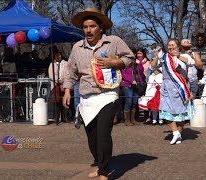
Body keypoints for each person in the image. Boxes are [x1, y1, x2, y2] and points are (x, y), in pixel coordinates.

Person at [62, 8, 134, 180]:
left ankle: (104, 170)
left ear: (100, 27)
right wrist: (67, 90)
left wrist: (115, 61)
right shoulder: (77, 48)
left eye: (92, 26)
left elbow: (130, 58)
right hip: (86, 97)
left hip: (108, 95)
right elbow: (71, 71)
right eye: (85, 27)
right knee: (92, 137)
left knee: (103, 133)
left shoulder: (113, 42)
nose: (88, 30)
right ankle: (99, 160)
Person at [151, 38, 195, 145]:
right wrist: (156, 56)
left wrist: (178, 56)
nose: (170, 47)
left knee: (181, 114)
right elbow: (153, 67)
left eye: (173, 45)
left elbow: (192, 62)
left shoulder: (185, 56)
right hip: (167, 87)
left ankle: (178, 134)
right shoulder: (164, 57)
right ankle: (175, 132)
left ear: (178, 46)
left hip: (180, 87)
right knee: (165, 111)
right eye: (169, 45)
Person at [121, 48, 146, 125]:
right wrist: (131, 80)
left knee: (135, 101)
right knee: (129, 100)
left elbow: (141, 71)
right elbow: (123, 73)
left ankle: (133, 119)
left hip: (137, 84)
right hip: (127, 84)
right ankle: (127, 120)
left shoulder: (137, 61)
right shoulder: (124, 61)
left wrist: (140, 63)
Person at [48, 47, 69, 125]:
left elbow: (68, 73)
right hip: (55, 85)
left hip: (64, 84)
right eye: (57, 55)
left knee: (65, 100)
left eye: (60, 55)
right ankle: (56, 118)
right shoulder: (51, 65)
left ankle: (65, 117)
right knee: (57, 101)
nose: (59, 57)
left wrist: (63, 82)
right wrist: (59, 82)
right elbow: (51, 75)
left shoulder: (65, 64)